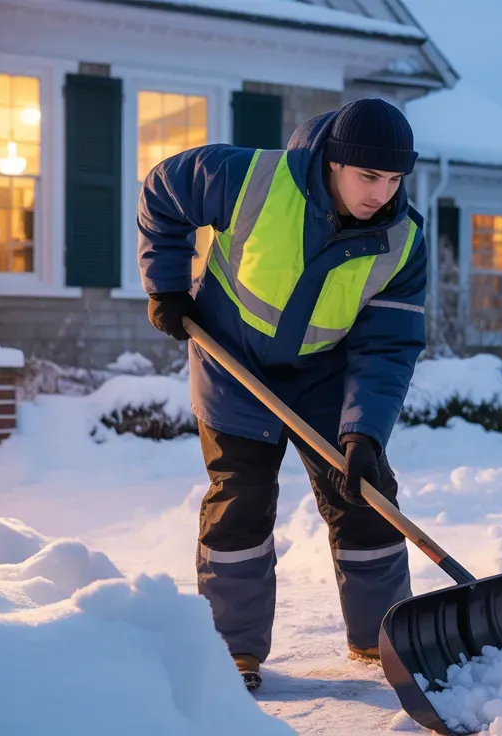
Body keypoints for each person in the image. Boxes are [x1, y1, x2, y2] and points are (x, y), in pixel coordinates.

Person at [136, 98, 427, 691]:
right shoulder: (251, 179)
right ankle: (231, 652)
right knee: (240, 499)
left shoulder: (403, 241)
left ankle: (382, 639)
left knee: (366, 493)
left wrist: (363, 433)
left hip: (324, 375)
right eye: (368, 176)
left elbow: (387, 348)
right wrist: (166, 285)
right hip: (231, 362)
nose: (381, 192)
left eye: (394, 179)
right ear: (334, 162)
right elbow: (162, 190)